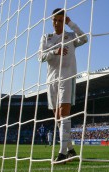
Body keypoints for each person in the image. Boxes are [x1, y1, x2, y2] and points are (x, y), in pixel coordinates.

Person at [38, 8, 88, 162]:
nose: (57, 23)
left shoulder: (71, 36)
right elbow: (40, 56)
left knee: (63, 112)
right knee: (57, 117)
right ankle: (71, 149)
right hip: (51, 79)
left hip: (67, 76)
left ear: (64, 21)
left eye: (60, 20)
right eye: (55, 20)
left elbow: (85, 39)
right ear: (51, 20)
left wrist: (71, 23)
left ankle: (62, 153)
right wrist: (55, 52)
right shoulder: (47, 37)